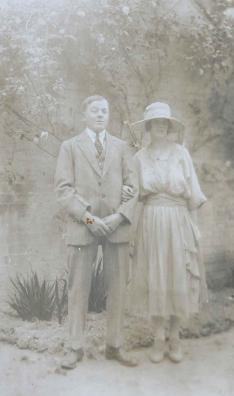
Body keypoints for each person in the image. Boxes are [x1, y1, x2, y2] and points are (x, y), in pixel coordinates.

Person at [55, 95, 138, 369]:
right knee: (78, 288)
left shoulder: (122, 147)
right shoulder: (70, 147)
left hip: (117, 226)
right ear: (84, 115)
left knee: (118, 289)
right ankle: (74, 347)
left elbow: (133, 187)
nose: (101, 115)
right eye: (95, 111)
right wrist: (89, 219)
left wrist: (118, 217)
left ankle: (114, 345)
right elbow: (64, 190)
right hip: (83, 226)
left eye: (105, 110)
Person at [123, 102, 207, 363]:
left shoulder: (181, 153)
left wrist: (194, 227)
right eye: (155, 122)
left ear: (168, 127)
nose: (160, 126)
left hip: (179, 219)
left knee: (177, 276)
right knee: (155, 277)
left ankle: (175, 337)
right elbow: (133, 195)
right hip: (151, 220)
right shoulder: (139, 158)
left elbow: (193, 192)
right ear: (148, 127)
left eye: (164, 122)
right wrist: (132, 228)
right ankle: (158, 337)